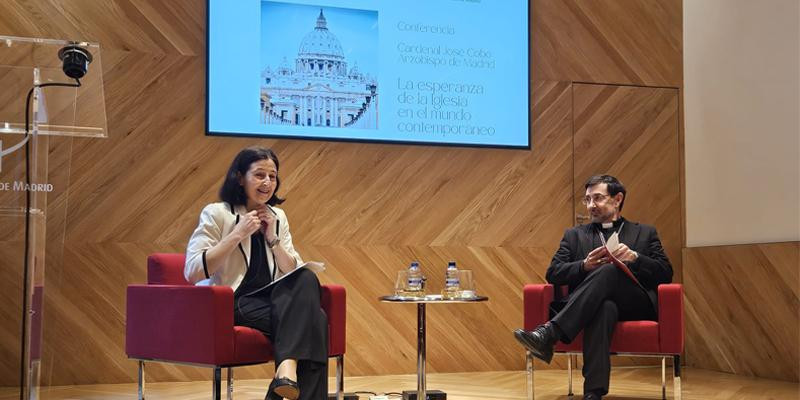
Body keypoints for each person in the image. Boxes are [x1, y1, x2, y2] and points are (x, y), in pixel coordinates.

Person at [184, 146, 327, 400]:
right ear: (240, 178)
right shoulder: (217, 213)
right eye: (260, 175)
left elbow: (291, 270)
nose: (267, 183)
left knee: (306, 277)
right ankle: (285, 371)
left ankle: (286, 371)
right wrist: (237, 234)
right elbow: (192, 271)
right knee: (316, 321)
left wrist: (273, 239)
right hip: (233, 301)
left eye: (272, 176)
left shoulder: (277, 216)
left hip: (271, 299)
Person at [514, 175, 672, 400]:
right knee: (603, 307)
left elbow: (665, 272)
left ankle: (551, 332)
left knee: (609, 271)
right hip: (590, 306)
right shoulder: (574, 235)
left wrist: (636, 258)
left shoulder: (645, 233)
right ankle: (593, 393)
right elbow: (553, 273)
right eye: (587, 199)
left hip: (635, 303)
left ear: (617, 199)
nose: (590, 205)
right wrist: (583, 266)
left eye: (597, 198)